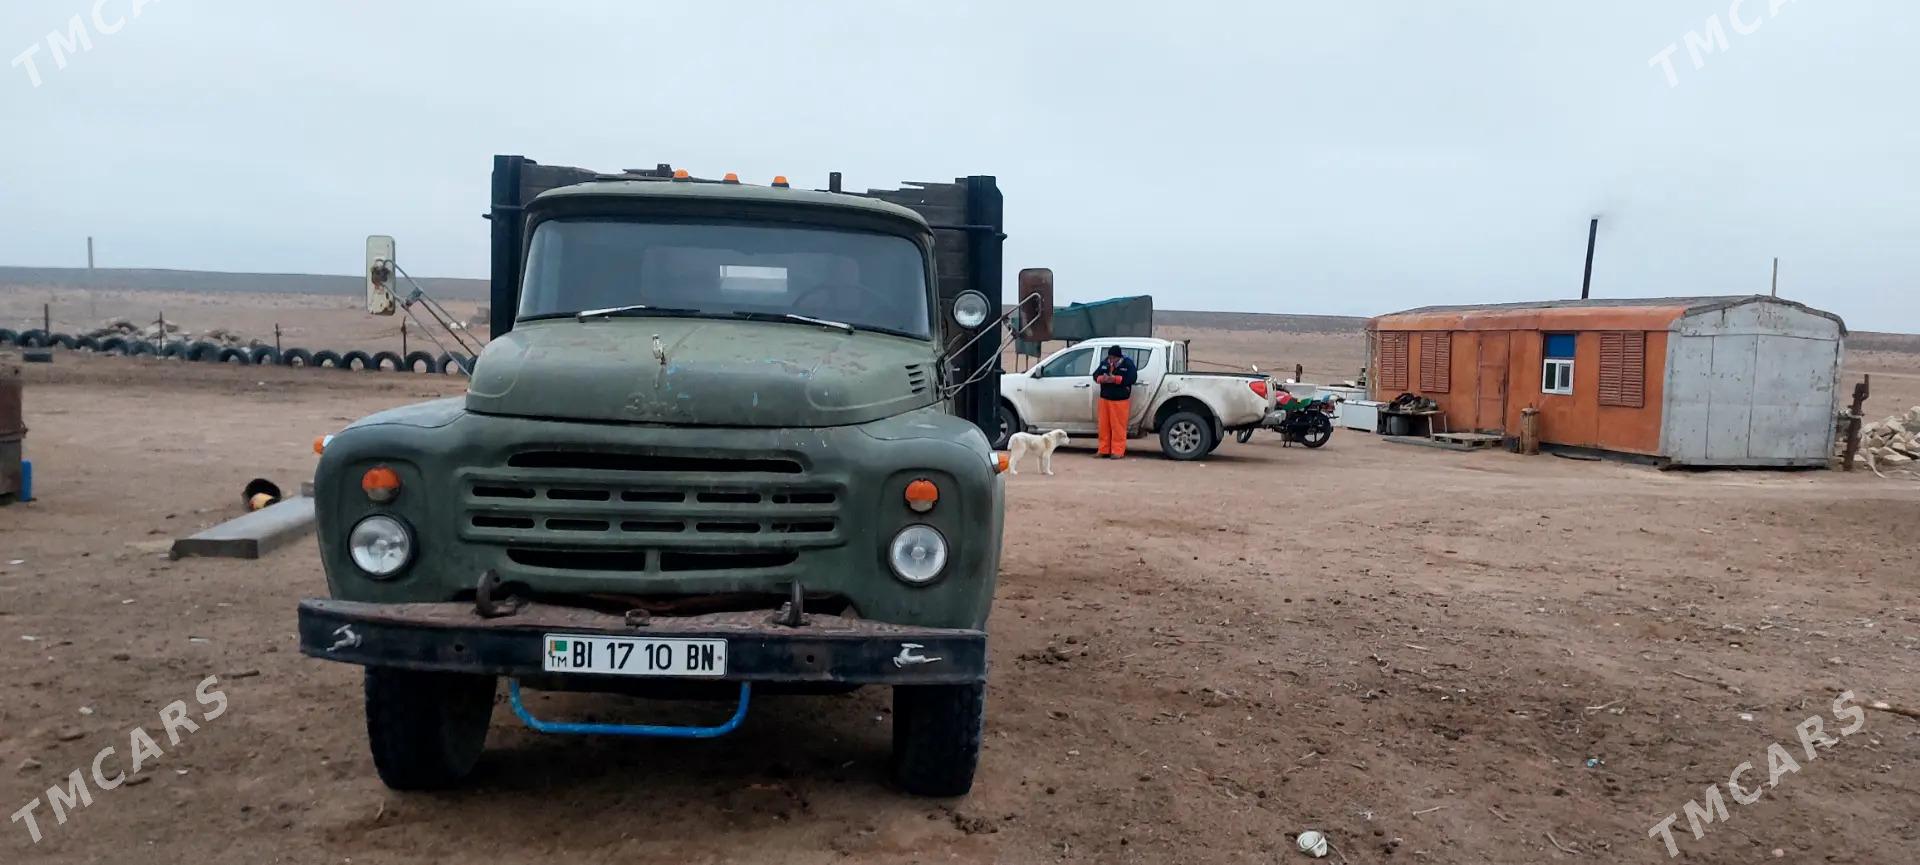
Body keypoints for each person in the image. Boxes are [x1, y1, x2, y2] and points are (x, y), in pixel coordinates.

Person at [1092, 345, 1138, 459]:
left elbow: (1132, 378)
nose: (1111, 360)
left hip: (1120, 400)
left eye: (1114, 358)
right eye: (1110, 357)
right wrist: (1102, 378)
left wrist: (1115, 379)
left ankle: (1117, 451)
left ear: (1119, 356)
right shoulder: (1105, 363)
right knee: (1103, 426)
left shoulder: (1127, 364)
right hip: (1105, 399)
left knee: (1118, 427)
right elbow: (1095, 375)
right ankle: (1103, 450)